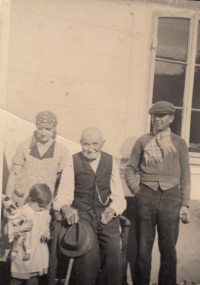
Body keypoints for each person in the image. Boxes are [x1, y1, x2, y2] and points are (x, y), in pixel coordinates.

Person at [125, 101, 191, 285]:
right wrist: (138, 192)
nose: (157, 119)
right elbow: (130, 169)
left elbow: (185, 176)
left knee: (168, 249)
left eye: (162, 115)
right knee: (143, 249)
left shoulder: (179, 144)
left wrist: (185, 203)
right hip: (146, 197)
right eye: (155, 115)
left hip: (171, 199)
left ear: (171, 118)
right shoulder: (143, 141)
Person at [53, 127, 127, 285]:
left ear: (103, 144)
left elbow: (119, 198)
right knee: (87, 254)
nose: (90, 148)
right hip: (83, 216)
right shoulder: (73, 161)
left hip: (106, 215)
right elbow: (63, 196)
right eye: (86, 144)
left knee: (113, 252)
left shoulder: (110, 161)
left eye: (95, 144)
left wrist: (113, 209)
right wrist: (65, 208)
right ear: (80, 143)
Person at [5, 110, 69, 206]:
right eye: (40, 128)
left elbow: (62, 182)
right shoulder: (25, 145)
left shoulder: (61, 150)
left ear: (54, 128)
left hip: (43, 204)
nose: (43, 133)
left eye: (48, 129)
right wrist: (7, 200)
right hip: (21, 200)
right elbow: (14, 174)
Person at [9, 183, 52, 285]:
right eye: (40, 206)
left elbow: (46, 227)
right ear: (30, 199)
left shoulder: (45, 214)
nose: (42, 209)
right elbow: (10, 230)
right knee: (17, 279)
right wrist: (21, 228)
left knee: (33, 279)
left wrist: (46, 233)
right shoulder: (21, 212)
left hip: (37, 254)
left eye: (44, 206)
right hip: (23, 254)